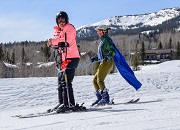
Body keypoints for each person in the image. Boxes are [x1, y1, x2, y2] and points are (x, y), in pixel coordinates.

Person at [47, 11, 80, 112]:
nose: (61, 21)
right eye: (59, 20)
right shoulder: (61, 30)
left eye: (63, 19)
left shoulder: (69, 28)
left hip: (72, 58)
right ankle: (62, 102)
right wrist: (53, 44)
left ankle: (69, 103)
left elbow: (65, 41)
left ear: (66, 20)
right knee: (61, 80)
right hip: (64, 59)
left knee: (66, 81)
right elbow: (59, 43)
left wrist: (52, 41)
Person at [91, 25, 116, 106]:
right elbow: (102, 53)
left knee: (100, 80)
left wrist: (108, 56)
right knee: (94, 81)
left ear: (104, 31)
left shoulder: (107, 40)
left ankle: (106, 98)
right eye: (97, 31)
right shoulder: (102, 40)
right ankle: (100, 98)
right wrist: (96, 58)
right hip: (103, 62)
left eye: (99, 31)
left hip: (107, 62)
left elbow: (112, 50)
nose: (98, 33)